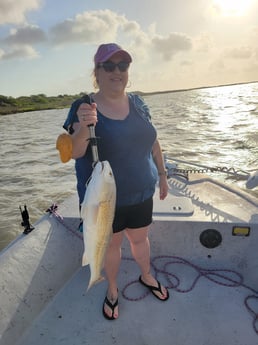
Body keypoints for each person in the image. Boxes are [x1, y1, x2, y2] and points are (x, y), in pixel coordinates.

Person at [63, 43, 169, 320]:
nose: (116, 71)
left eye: (122, 66)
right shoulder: (83, 105)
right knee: (111, 245)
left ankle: (146, 275)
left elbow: (153, 141)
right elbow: (74, 152)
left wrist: (163, 173)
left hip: (142, 191)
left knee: (141, 238)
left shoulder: (138, 103)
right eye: (108, 66)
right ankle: (111, 288)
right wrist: (85, 125)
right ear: (96, 72)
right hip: (105, 201)